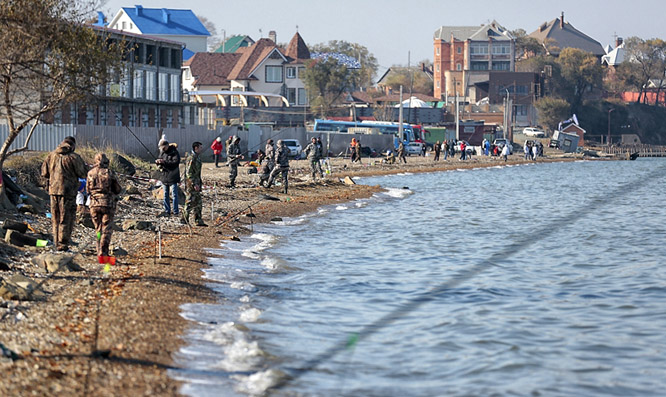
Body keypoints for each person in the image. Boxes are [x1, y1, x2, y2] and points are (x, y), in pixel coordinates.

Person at [41, 136, 88, 251]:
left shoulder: (51, 155)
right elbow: (83, 174)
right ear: (73, 146)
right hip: (68, 192)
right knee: (66, 218)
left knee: (55, 218)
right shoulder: (74, 157)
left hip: (53, 191)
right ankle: (63, 244)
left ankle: (56, 243)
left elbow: (44, 173)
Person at [87, 153, 122, 262]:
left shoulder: (90, 173)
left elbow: (88, 190)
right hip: (107, 203)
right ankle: (103, 252)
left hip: (94, 203)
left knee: (98, 229)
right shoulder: (110, 173)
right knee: (106, 229)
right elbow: (117, 189)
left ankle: (98, 251)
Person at [182, 141, 207, 226]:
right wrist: (194, 184)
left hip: (197, 183)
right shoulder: (191, 158)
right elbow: (188, 173)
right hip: (191, 185)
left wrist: (199, 183)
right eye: (200, 147)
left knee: (198, 203)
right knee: (189, 202)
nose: (201, 149)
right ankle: (184, 219)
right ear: (196, 148)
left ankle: (198, 220)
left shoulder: (197, 157)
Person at [155, 140, 181, 217]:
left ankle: (176, 211)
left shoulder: (174, 152)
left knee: (174, 195)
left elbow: (175, 163)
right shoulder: (162, 152)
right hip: (164, 176)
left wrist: (164, 162)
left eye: (163, 147)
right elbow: (160, 161)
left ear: (166, 146)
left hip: (173, 176)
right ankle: (167, 211)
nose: (162, 149)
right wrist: (158, 162)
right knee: (165, 195)